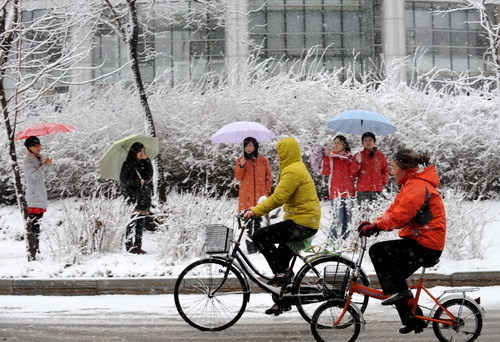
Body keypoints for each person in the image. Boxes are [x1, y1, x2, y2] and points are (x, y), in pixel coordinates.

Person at [357, 149, 446, 334]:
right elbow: (393, 210)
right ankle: (413, 319)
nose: (392, 171)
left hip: (426, 245)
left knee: (379, 253)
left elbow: (400, 216)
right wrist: (375, 224)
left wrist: (377, 228)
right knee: (394, 276)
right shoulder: (410, 185)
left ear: (404, 168)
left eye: (394, 167)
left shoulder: (417, 187)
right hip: (421, 242)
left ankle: (404, 301)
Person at [243, 137, 321, 314]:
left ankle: (282, 276)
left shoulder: (293, 171)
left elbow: (279, 198)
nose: (278, 156)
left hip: (302, 222)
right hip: (303, 220)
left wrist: (255, 211)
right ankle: (283, 299)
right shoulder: (294, 168)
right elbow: (280, 194)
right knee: (280, 260)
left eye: (280, 152)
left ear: (286, 153)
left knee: (260, 236)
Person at [234, 137, 272, 254]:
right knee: (248, 223)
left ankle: (260, 247)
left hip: (260, 196)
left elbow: (268, 177)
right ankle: (251, 249)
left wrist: (266, 191)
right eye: (246, 146)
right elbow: (238, 177)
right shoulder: (241, 160)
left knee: (259, 222)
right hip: (247, 196)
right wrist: (241, 166)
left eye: (251, 145)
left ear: (255, 146)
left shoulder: (263, 160)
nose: (248, 148)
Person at [120, 142, 153, 254]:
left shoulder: (143, 163)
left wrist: (147, 160)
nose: (143, 153)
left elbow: (149, 176)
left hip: (143, 196)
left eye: (144, 151)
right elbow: (124, 180)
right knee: (132, 221)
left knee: (141, 222)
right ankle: (129, 245)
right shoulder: (127, 164)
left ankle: (138, 245)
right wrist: (137, 181)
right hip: (133, 196)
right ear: (135, 151)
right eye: (141, 151)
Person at [22, 136, 52, 256]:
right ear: (29, 147)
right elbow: (34, 176)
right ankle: (33, 251)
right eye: (35, 145)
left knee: (37, 225)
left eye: (39, 145)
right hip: (33, 197)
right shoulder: (27, 161)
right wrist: (44, 165)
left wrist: (47, 164)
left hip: (40, 195)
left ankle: (36, 250)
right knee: (34, 226)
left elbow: (44, 176)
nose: (38, 147)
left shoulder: (38, 159)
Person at [321, 135, 355, 240]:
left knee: (348, 220)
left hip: (349, 192)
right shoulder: (330, 157)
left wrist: (356, 162)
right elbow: (325, 172)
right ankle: (330, 243)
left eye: (338, 143)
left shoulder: (350, 158)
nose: (335, 145)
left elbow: (354, 173)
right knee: (337, 219)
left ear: (344, 145)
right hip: (335, 193)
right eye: (334, 143)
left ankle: (345, 242)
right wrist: (326, 157)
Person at [351, 132, 389, 203]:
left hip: (377, 189)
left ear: (374, 141)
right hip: (363, 190)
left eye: (370, 140)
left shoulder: (380, 156)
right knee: (363, 213)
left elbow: (385, 170)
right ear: (362, 143)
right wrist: (357, 162)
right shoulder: (359, 155)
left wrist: (382, 182)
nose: (368, 142)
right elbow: (353, 173)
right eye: (365, 140)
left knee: (377, 212)